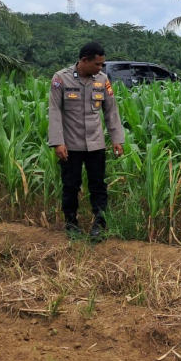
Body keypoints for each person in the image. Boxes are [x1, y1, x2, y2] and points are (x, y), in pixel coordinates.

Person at [48, 42, 124, 241]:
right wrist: (57, 142)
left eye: (102, 64)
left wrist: (117, 139)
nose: (100, 68)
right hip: (70, 145)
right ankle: (71, 223)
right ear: (84, 61)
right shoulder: (60, 78)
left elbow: (111, 111)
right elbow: (54, 111)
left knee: (98, 186)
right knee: (71, 185)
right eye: (97, 64)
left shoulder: (102, 80)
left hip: (96, 144)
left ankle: (99, 224)